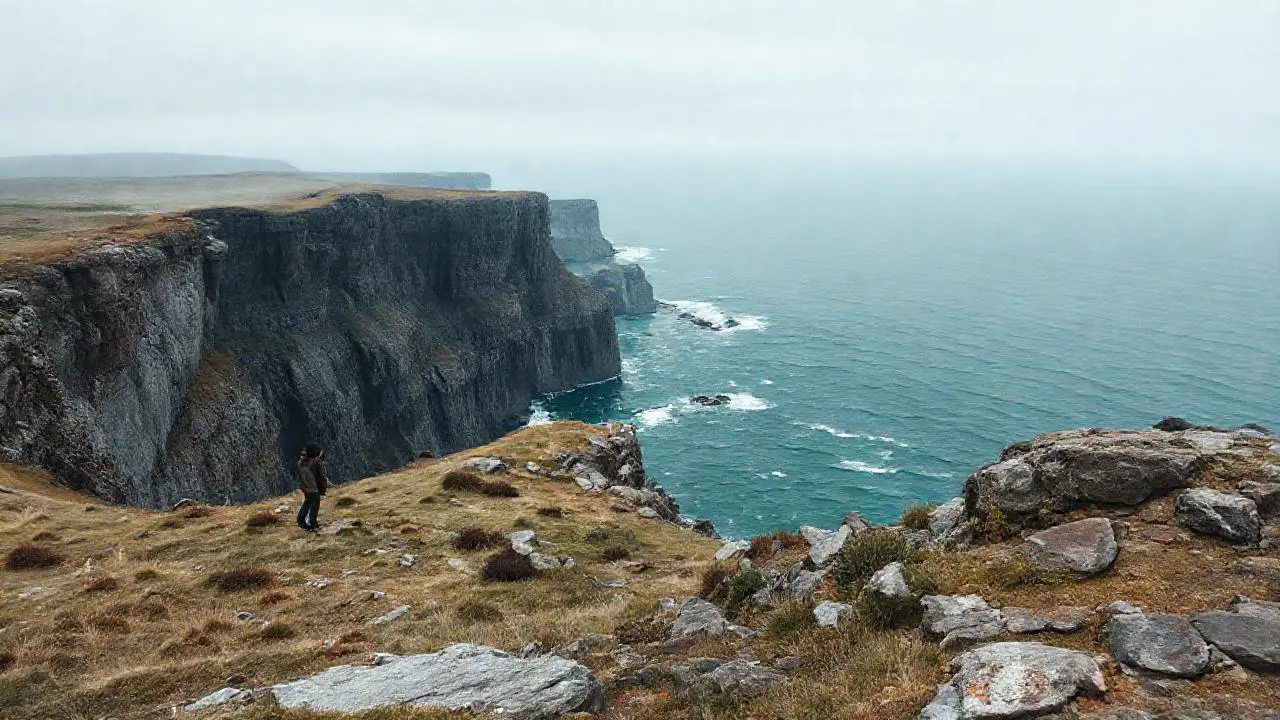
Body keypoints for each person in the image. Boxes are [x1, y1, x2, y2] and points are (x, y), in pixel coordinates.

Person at [296, 443, 328, 531]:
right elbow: (321, 477)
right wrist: (323, 488)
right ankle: (307, 522)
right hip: (312, 487)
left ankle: (308, 522)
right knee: (313, 503)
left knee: (309, 502)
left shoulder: (302, 462)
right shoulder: (316, 461)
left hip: (305, 486)